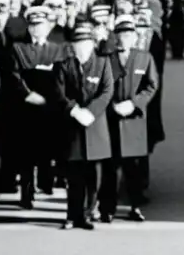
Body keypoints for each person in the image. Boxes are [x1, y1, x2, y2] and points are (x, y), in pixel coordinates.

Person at [2, 6, 65, 209]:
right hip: (25, 108)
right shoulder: (18, 48)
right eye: (33, 26)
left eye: (41, 25)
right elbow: (14, 75)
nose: (37, 29)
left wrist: (51, 99)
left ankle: (45, 184)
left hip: (49, 108)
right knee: (26, 153)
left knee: (47, 149)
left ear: (48, 27)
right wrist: (28, 94)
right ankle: (26, 193)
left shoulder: (57, 49)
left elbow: (61, 78)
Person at [53, 20, 113, 231]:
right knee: (74, 176)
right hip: (72, 127)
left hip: (95, 127)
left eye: (86, 42)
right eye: (78, 43)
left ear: (93, 44)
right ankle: (72, 215)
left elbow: (107, 92)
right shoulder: (64, 66)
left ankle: (87, 214)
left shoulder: (103, 64)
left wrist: (91, 112)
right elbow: (59, 93)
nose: (82, 47)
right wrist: (75, 110)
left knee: (93, 177)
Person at [99, 15, 158, 222]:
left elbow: (151, 86)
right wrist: (113, 105)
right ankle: (108, 208)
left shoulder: (144, 58)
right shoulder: (106, 59)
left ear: (135, 37)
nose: (124, 38)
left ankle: (135, 206)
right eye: (121, 34)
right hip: (112, 120)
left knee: (134, 168)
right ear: (115, 37)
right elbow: (101, 88)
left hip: (134, 120)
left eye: (128, 34)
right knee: (110, 168)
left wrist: (134, 103)